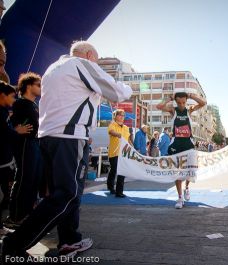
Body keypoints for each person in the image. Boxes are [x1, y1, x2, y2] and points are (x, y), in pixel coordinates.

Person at [2, 41, 132, 260]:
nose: (97, 65)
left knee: (62, 192)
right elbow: (117, 92)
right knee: (67, 194)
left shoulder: (52, 69)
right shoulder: (81, 63)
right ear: (90, 55)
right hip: (68, 137)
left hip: (48, 137)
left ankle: (69, 240)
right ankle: (14, 243)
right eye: (97, 61)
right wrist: (127, 87)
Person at [156, 92, 206, 209]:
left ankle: (187, 188)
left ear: (186, 101)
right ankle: (179, 197)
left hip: (188, 143)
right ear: (176, 102)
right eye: (179, 102)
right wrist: (169, 98)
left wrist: (191, 96)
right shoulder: (173, 110)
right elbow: (159, 106)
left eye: (183, 102)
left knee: (190, 170)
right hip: (176, 144)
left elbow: (203, 103)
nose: (181, 105)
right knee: (177, 172)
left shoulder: (189, 110)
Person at [7, 72, 42, 228]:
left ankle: (27, 214)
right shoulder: (19, 103)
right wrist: (15, 129)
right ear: (28, 86)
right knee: (23, 178)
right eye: (38, 85)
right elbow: (9, 121)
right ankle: (14, 216)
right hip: (25, 144)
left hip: (35, 143)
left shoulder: (34, 105)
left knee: (33, 180)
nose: (41, 88)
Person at [0, 82, 32, 236]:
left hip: (5, 161)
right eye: (12, 97)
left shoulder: (5, 112)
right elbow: (4, 134)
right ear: (2, 96)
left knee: (4, 195)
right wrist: (17, 131)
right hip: (2, 162)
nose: (14, 100)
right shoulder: (2, 113)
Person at [107, 109, 131, 198]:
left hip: (123, 153)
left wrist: (132, 148)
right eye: (120, 115)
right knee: (114, 170)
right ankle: (110, 186)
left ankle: (119, 192)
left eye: (123, 115)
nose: (122, 117)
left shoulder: (126, 127)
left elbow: (128, 140)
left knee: (122, 171)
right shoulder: (112, 124)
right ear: (115, 116)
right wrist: (118, 134)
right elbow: (111, 132)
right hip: (114, 152)